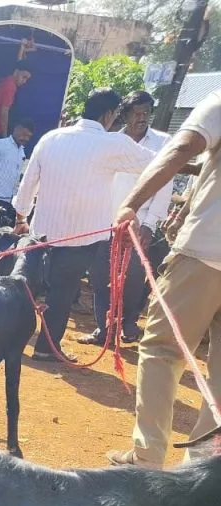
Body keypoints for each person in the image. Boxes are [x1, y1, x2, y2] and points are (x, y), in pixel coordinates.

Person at [107, 89, 221, 468]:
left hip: (205, 252)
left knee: (162, 351)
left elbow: (182, 147)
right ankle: (201, 470)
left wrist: (130, 204)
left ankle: (147, 459)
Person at [12, 88, 156, 363]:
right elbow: (156, 163)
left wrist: (21, 216)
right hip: (82, 238)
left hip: (42, 234)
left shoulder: (51, 137)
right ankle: (45, 349)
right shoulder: (113, 144)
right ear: (109, 114)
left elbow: (28, 182)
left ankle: (6, 342)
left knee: (26, 289)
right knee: (61, 294)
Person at [80, 90, 173, 347]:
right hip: (104, 222)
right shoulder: (110, 140)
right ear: (125, 115)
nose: (141, 118)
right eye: (136, 113)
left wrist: (149, 224)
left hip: (138, 224)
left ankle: (129, 324)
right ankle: (103, 330)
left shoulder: (163, 143)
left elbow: (164, 185)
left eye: (146, 113)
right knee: (100, 276)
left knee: (132, 279)